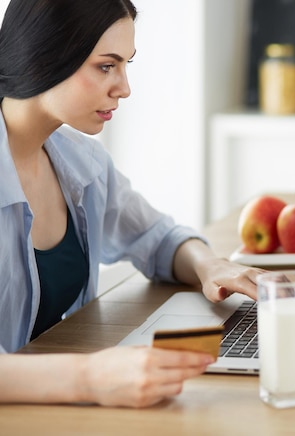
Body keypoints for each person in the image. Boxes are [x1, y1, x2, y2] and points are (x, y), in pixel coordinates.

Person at [0, 0, 262, 408]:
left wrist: (209, 265)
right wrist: (89, 379)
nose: (124, 87)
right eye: (106, 66)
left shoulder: (81, 162)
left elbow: (155, 237)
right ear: (46, 53)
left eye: (126, 65)